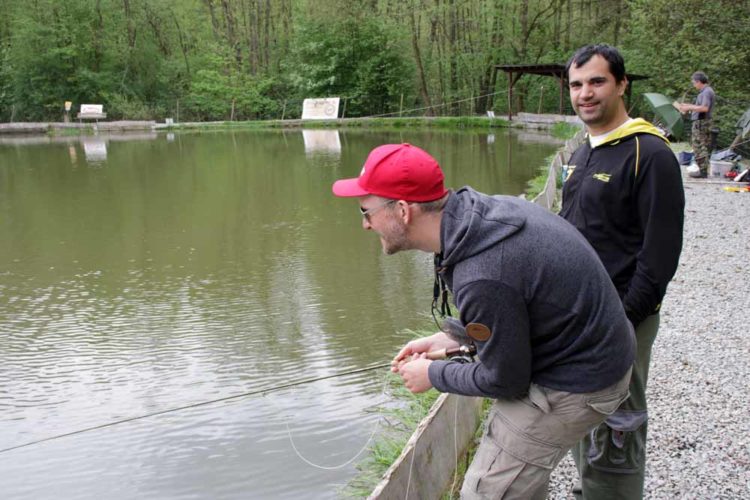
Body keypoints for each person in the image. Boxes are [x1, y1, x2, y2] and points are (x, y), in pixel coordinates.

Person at [332, 142, 636, 499]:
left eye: (366, 212)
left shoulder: (483, 274)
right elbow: (515, 302)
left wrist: (432, 375)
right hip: (593, 348)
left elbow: (505, 380)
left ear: (402, 210)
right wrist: (453, 339)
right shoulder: (473, 215)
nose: (366, 225)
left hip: (582, 379)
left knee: (485, 491)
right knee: (515, 478)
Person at [561, 44, 685, 499]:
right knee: (577, 411)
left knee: (618, 422)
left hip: (621, 318)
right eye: (576, 85)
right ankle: (591, 491)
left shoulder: (649, 154)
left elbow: (660, 256)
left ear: (621, 84)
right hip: (576, 317)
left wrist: (621, 319)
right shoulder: (581, 154)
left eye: (596, 82)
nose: (585, 94)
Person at [677, 71, 715, 177]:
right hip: (701, 122)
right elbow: (700, 107)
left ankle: (703, 171)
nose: (693, 85)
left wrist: (688, 107)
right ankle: (701, 169)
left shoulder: (706, 92)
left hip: (702, 123)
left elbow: (704, 108)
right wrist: (687, 105)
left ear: (699, 82)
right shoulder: (705, 92)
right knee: (699, 145)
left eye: (694, 83)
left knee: (700, 145)